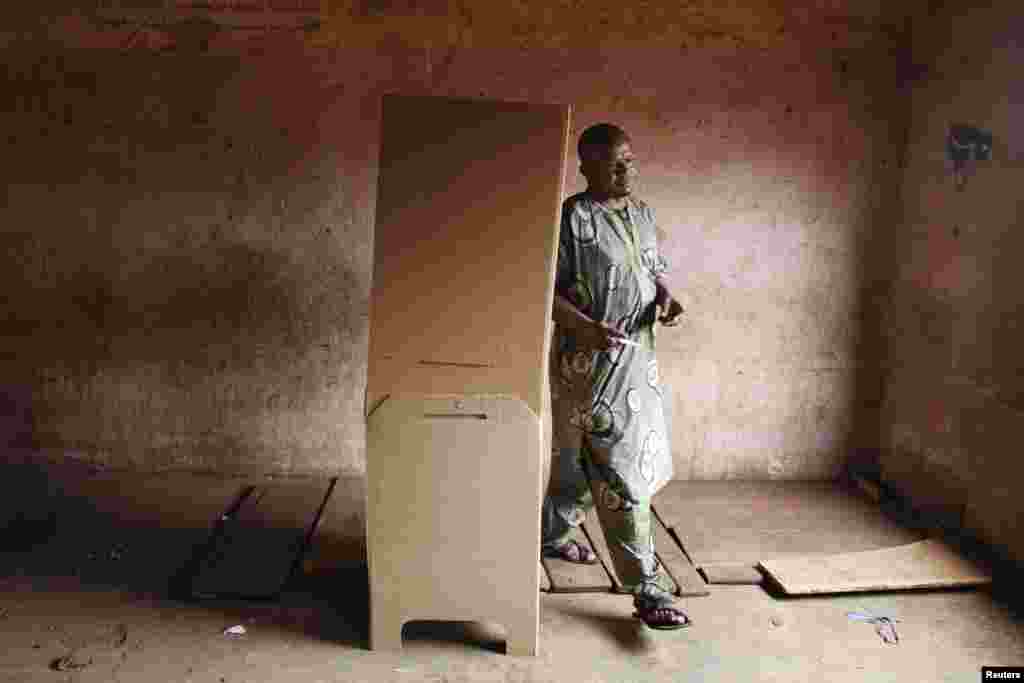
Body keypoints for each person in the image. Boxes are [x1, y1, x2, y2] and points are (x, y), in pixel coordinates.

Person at [542, 123, 690, 630]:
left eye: (629, 159)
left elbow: (650, 270)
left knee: (577, 456)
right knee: (618, 471)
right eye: (612, 163)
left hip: (637, 361)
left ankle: (554, 535)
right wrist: (585, 328)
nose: (626, 170)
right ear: (586, 168)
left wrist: (665, 297)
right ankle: (648, 588)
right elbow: (543, 292)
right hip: (589, 364)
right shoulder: (572, 218)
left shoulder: (643, 214)